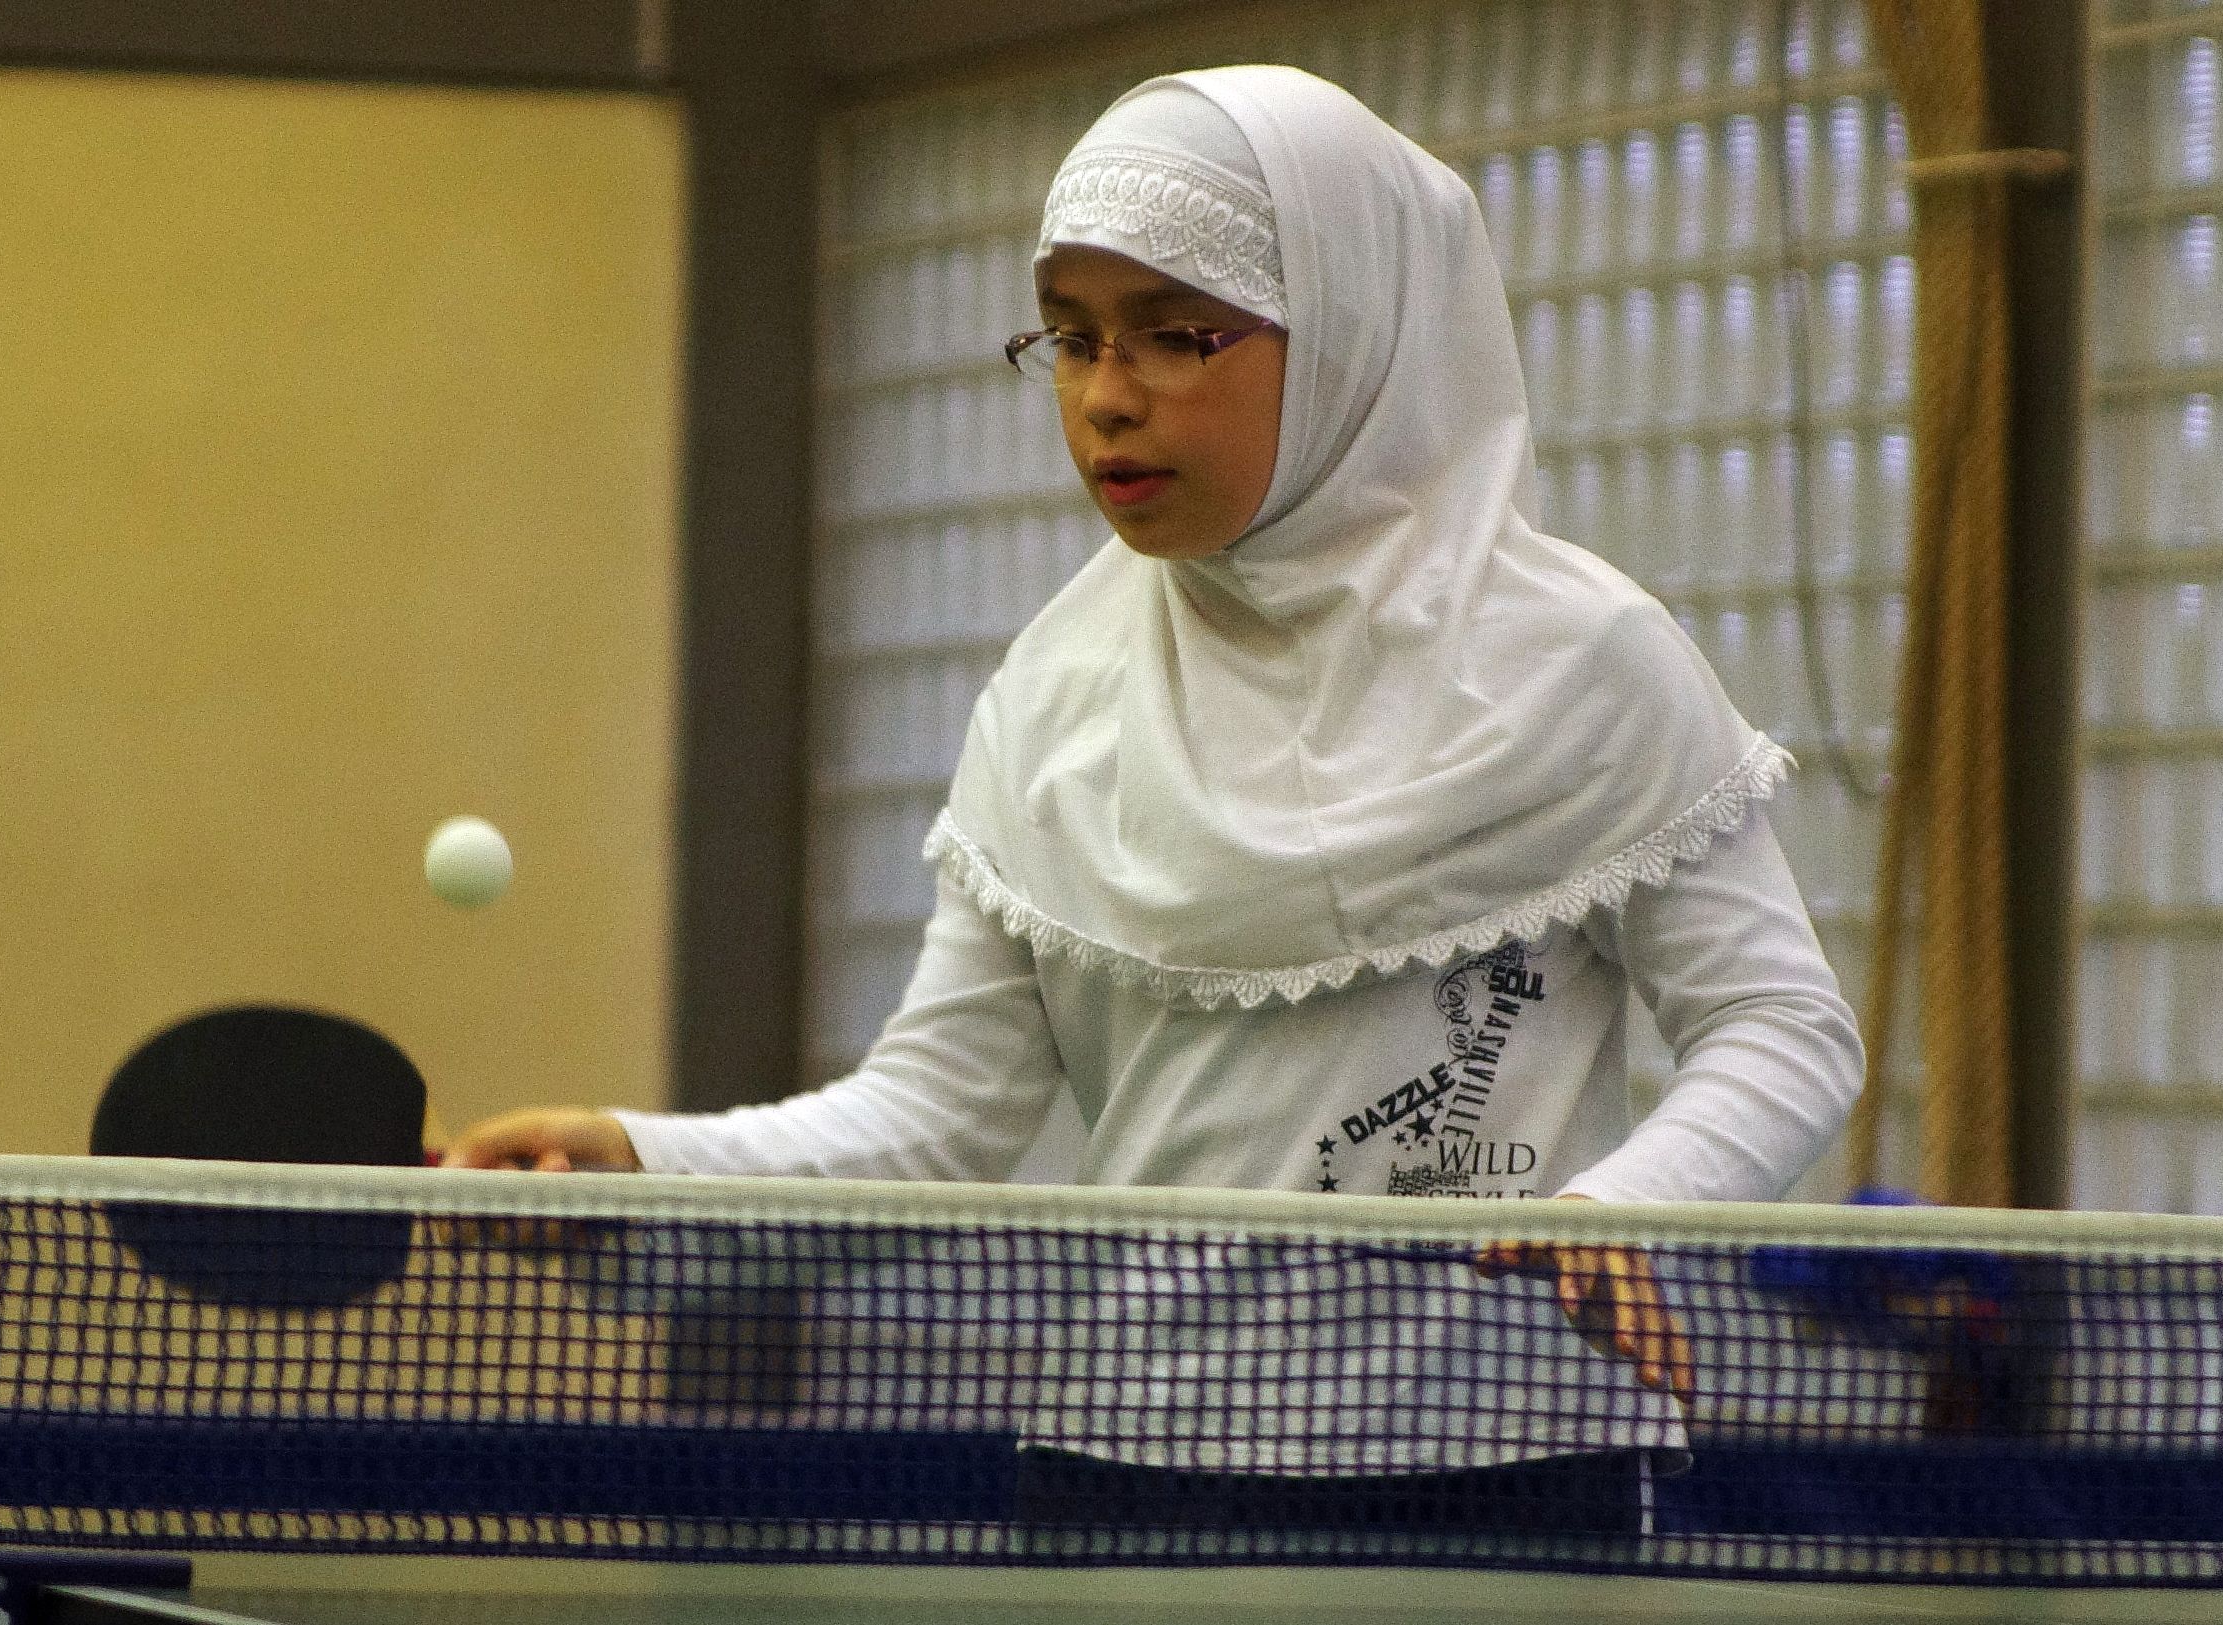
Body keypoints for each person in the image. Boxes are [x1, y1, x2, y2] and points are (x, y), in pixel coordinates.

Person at [446, 66, 1863, 1504]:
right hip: (1124, 1470)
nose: (1106, 401)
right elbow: (936, 1121)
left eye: (1178, 337)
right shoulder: (1055, 694)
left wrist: (1622, 1207)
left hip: (1507, 1471)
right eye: (1069, 339)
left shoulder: (1587, 659)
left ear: (1351, 332)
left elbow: (1779, 1025)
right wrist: (635, 1164)